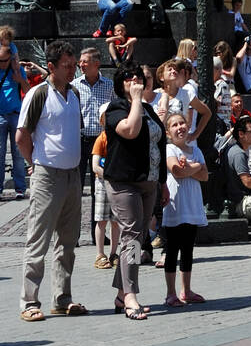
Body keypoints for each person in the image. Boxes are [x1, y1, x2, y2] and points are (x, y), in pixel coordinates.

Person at [16, 41, 85, 321]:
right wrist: (34, 164)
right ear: (51, 67)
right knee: (38, 240)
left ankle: (62, 297)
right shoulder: (38, 94)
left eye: (74, 65)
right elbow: (22, 137)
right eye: (67, 66)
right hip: (47, 174)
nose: (72, 70)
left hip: (73, 174)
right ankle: (29, 301)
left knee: (67, 241)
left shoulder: (75, 94)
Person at [103, 63, 169, 319]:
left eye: (139, 77)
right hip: (124, 181)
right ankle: (131, 295)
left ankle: (121, 295)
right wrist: (136, 99)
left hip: (149, 181)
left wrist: (162, 182)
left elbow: (159, 146)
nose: (136, 81)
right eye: (130, 78)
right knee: (131, 234)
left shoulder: (150, 110)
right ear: (121, 84)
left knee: (137, 235)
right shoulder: (117, 108)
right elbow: (130, 131)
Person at [162, 111, 208, 306]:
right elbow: (177, 171)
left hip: (192, 204)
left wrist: (193, 166)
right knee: (172, 248)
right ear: (168, 132)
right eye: (174, 125)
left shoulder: (195, 150)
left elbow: (205, 176)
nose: (180, 127)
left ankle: (186, 290)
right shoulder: (169, 149)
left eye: (182, 123)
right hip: (175, 205)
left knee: (188, 248)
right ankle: (170, 292)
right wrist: (196, 168)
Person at [75, 47, 114, 207]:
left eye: (85, 61)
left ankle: (96, 231)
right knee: (76, 188)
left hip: (101, 142)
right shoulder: (74, 86)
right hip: (79, 141)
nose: (81, 65)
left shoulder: (109, 85)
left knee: (98, 189)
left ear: (96, 63)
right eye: (80, 61)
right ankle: (72, 231)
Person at [91, 110, 120, 268]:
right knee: (101, 220)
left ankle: (114, 252)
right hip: (103, 183)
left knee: (116, 221)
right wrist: (110, 174)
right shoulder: (101, 138)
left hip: (117, 184)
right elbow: (95, 165)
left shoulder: (120, 138)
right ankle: (100, 254)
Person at [0, 33, 27, 199]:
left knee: (18, 154)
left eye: (4, 61)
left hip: (16, 115)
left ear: (10, 58)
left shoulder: (17, 70)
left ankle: (20, 188)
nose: (2, 64)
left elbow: (28, 90)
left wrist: (20, 80)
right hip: (0, 115)